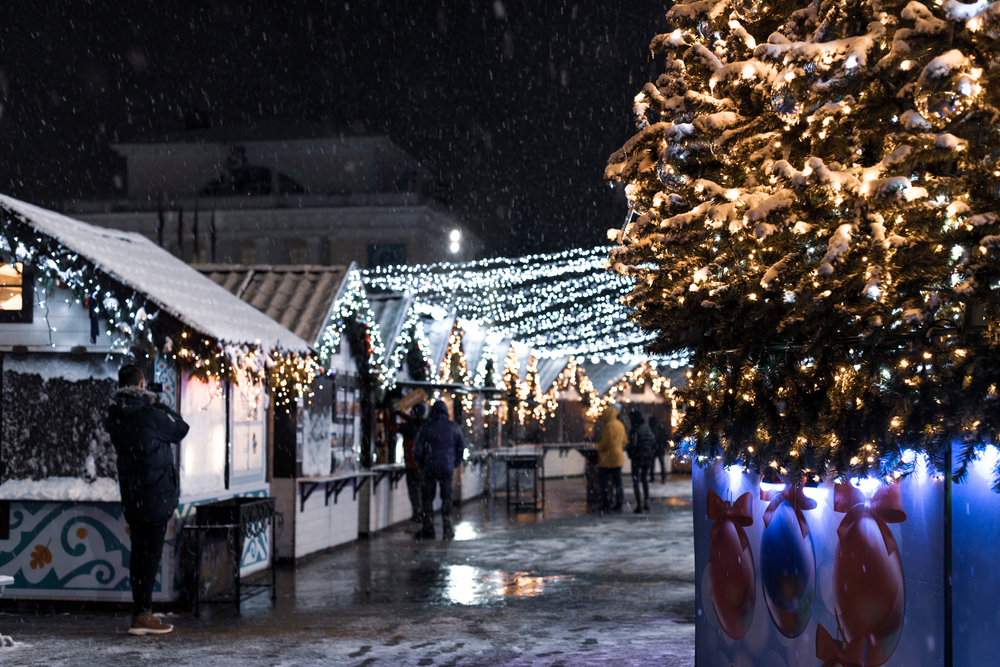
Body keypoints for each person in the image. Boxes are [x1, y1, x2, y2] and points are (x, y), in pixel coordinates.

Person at [106, 364, 189, 636]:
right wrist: (159, 404)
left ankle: (141, 611)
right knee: (149, 557)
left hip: (134, 497)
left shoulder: (117, 415)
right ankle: (143, 614)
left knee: (139, 555)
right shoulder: (149, 415)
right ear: (142, 384)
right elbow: (181, 428)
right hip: (155, 496)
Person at [413, 400, 465, 540]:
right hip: (447, 468)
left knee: (427, 497)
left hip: (429, 467)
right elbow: (461, 447)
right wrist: (455, 462)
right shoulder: (454, 427)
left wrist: (422, 463)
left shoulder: (426, 427)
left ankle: (428, 528)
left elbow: (417, 449)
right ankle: (447, 528)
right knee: (447, 497)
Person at [397, 402, 427, 524]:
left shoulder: (409, 426)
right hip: (423, 464)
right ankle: (424, 514)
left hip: (412, 464)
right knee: (421, 490)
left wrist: (388, 414)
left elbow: (391, 427)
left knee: (414, 490)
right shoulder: (425, 425)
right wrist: (399, 413)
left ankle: (417, 514)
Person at [596, 405, 626, 512]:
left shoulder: (607, 427)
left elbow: (605, 443)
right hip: (618, 457)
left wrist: (599, 449)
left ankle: (606, 502)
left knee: (604, 482)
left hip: (608, 458)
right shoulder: (620, 425)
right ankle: (619, 503)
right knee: (618, 482)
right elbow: (625, 441)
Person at [626, 409, 656, 513]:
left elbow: (633, 444)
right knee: (644, 480)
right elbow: (653, 442)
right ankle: (646, 503)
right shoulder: (647, 428)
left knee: (636, 481)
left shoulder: (635, 429)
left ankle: (639, 504)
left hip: (637, 457)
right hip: (647, 457)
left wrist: (630, 450)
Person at [648, 415, 671, 484]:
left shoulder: (652, 429)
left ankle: (652, 478)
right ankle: (663, 478)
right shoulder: (662, 429)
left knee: (652, 464)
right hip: (661, 449)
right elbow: (667, 438)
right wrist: (665, 446)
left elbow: (651, 440)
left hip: (654, 449)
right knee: (662, 464)